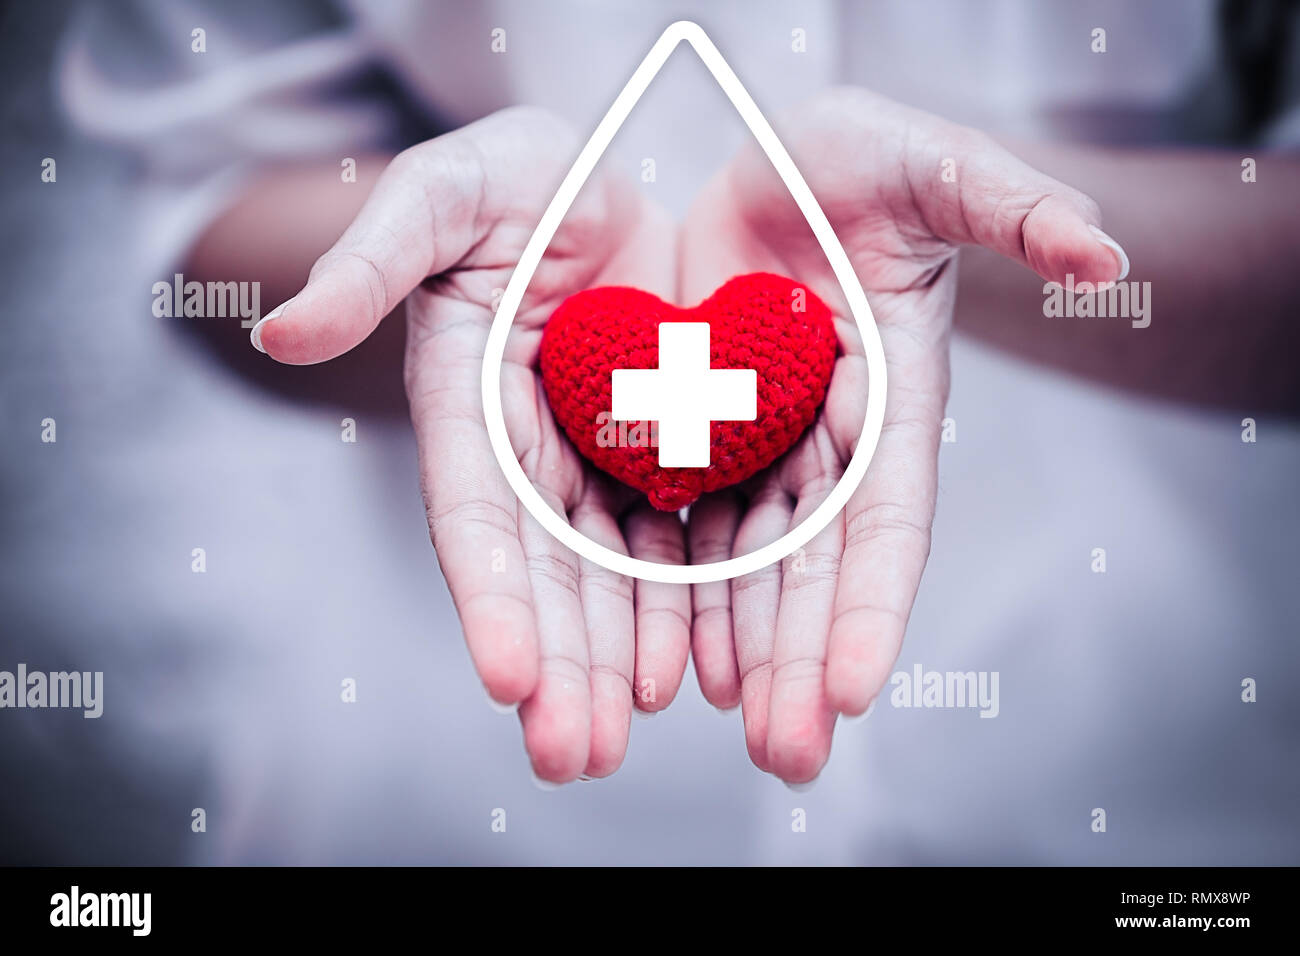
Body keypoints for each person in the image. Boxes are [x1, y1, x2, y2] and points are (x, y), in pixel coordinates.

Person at [52, 0, 1300, 862]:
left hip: (1147, 753)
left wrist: (960, 238)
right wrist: (459, 279)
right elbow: (204, 208)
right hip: (454, 772)